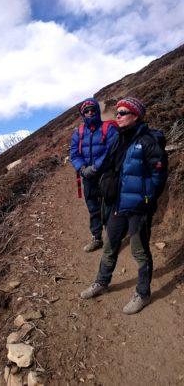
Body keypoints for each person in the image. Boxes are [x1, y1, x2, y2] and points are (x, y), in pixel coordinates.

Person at [79, 97, 167, 315]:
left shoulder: (148, 141)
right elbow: (111, 166)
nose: (117, 116)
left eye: (122, 113)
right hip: (119, 204)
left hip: (138, 207)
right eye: (117, 112)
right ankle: (102, 282)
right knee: (110, 246)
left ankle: (143, 293)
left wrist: (147, 199)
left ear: (135, 116)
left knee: (140, 252)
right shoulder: (119, 138)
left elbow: (159, 174)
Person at [69, 98, 118, 252]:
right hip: (87, 177)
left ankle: (112, 238)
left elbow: (112, 150)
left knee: (109, 205)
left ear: (97, 110)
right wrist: (82, 168)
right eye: (86, 111)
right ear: (83, 114)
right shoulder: (79, 132)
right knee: (93, 208)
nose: (90, 112)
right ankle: (96, 238)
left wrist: (96, 168)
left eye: (92, 109)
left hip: (106, 175)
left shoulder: (108, 128)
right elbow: (74, 154)